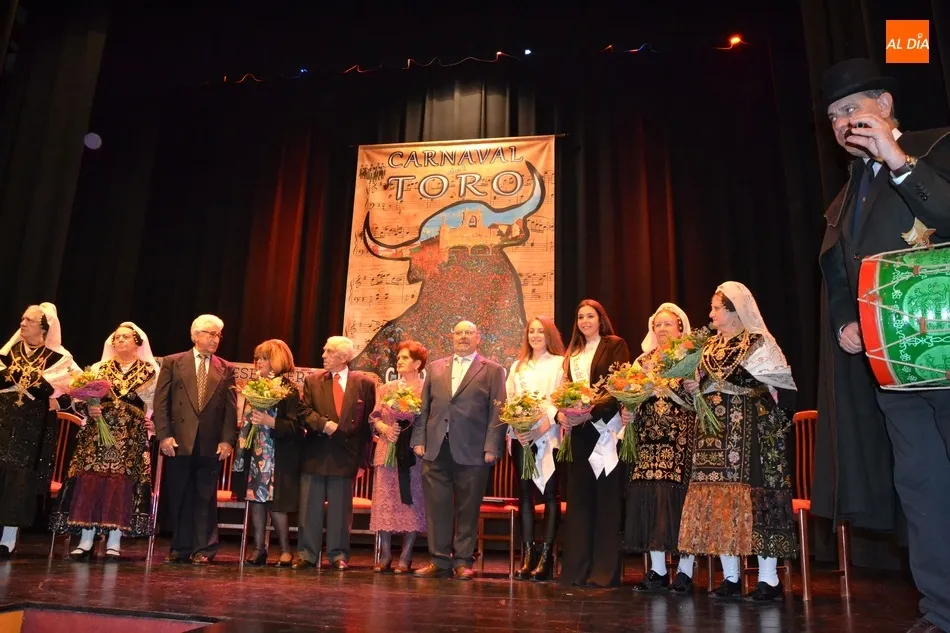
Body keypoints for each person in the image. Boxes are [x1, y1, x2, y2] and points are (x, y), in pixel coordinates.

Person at [815, 57, 950, 632]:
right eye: (833, 116)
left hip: (947, 351)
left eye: (852, 108)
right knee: (921, 488)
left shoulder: (936, 148)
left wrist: (897, 158)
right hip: (895, 367)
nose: (843, 122)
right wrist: (846, 319)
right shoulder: (849, 193)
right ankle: (941, 611)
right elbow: (839, 270)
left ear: (886, 105)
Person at [678, 282, 797, 600]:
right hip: (713, 437)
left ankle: (769, 579)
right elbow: (696, 394)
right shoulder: (707, 348)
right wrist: (692, 388)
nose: (711, 314)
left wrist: (717, 381)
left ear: (735, 311)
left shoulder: (758, 343)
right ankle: (730, 578)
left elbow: (781, 387)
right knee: (718, 504)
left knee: (757, 502)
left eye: (716, 308)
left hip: (752, 434)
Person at [50, 322, 159, 560]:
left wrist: (154, 424)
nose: (120, 341)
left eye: (125, 337)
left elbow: (159, 405)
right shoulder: (99, 369)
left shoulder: (150, 371)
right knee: (91, 482)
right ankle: (86, 540)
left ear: (137, 343)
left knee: (120, 486)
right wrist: (89, 409)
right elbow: (79, 400)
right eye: (116, 337)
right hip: (98, 435)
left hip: (129, 438)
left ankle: (114, 542)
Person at [410, 320, 506, 580]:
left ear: (478, 338)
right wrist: (419, 439)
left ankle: (463, 561)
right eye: (459, 333)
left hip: (473, 450)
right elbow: (424, 407)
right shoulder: (435, 367)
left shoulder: (493, 370)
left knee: (468, 508)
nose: (463, 337)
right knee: (437, 508)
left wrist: (492, 446)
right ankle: (439, 560)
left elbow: (498, 411)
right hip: (435, 448)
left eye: (469, 333)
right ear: (451, 337)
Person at [623, 303, 696, 592]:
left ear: (680, 327)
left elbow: (701, 399)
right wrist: (627, 411)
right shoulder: (642, 361)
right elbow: (630, 398)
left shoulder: (690, 357)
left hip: (680, 442)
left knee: (679, 505)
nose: (662, 329)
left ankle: (685, 571)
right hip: (647, 443)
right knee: (651, 502)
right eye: (658, 324)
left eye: (667, 324)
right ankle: (657, 570)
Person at [557, 299, 630, 587]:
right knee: (579, 502)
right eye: (580, 317)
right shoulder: (572, 353)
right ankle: (577, 570)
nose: (585, 321)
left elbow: (619, 385)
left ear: (600, 319)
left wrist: (590, 411)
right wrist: (565, 413)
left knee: (606, 501)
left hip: (605, 430)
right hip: (579, 433)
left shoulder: (615, 344)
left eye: (590, 316)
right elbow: (565, 390)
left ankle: (603, 572)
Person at [153, 314, 237, 565]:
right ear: (195, 335)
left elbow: (230, 409)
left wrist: (227, 440)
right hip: (179, 439)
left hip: (210, 441)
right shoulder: (173, 362)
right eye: (210, 334)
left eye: (218, 335)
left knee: (205, 496)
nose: (215, 339)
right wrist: (164, 436)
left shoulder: (226, 368)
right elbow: (161, 402)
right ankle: (180, 546)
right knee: (179, 493)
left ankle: (205, 548)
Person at [0, 303, 76, 558]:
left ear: (44, 328)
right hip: (4, 420)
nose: (22, 323)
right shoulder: (8, 352)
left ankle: (8, 538)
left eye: (29, 321)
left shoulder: (59, 359)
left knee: (19, 479)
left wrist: (54, 397)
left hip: (32, 429)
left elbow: (69, 391)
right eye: (22, 319)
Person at [295, 336, 376, 571]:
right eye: (324, 351)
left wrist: (363, 461)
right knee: (310, 507)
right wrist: (324, 425)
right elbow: (303, 412)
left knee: (341, 511)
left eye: (329, 352)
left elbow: (367, 426)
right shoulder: (313, 381)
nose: (323, 356)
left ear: (344, 357)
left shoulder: (364, 383)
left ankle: (338, 555)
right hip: (316, 453)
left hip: (346, 456)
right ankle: (307, 554)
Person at [232, 339, 302, 567]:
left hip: (278, 456)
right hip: (255, 453)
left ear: (277, 361)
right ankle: (258, 549)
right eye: (258, 358)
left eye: (264, 358)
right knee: (256, 500)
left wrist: (270, 421)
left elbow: (295, 427)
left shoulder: (289, 390)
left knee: (276, 504)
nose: (259, 362)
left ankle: (285, 550)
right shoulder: (254, 386)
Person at [505, 316, 565, 582]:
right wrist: (517, 426)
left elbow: (559, 398)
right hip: (522, 438)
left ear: (549, 334)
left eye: (541, 331)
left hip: (548, 436)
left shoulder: (559, 363)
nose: (536, 336)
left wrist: (541, 426)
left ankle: (545, 558)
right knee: (525, 496)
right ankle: (528, 557)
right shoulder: (517, 366)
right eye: (531, 331)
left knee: (551, 495)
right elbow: (510, 400)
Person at [369, 340, 428, 574]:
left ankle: (406, 556)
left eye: (405, 358)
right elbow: (374, 417)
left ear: (417, 363)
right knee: (385, 503)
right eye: (399, 357)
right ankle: (385, 554)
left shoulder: (426, 389)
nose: (399, 361)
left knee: (412, 502)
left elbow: (428, 420)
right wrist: (384, 428)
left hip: (413, 453)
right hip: (387, 450)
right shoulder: (387, 388)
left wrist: (408, 428)